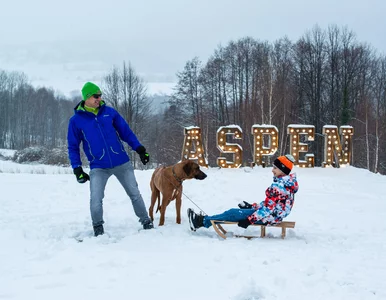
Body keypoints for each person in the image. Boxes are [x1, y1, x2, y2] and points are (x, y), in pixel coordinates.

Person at [67, 82, 154, 236]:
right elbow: (73, 146)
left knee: (134, 193)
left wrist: (139, 149)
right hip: (98, 166)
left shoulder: (109, 113)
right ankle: (98, 228)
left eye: (100, 95)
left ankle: (146, 221)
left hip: (121, 162)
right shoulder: (76, 121)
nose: (99, 99)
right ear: (87, 97)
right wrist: (77, 168)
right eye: (96, 96)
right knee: (96, 199)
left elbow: (126, 132)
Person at [187, 155, 299, 231]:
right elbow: (270, 205)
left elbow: (268, 209)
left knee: (233, 213)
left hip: (269, 217)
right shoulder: (286, 185)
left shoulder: (279, 187)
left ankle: (200, 222)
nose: (272, 170)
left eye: (275, 168)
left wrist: (249, 220)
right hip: (272, 215)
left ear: (282, 170)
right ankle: (204, 220)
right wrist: (253, 206)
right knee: (235, 212)